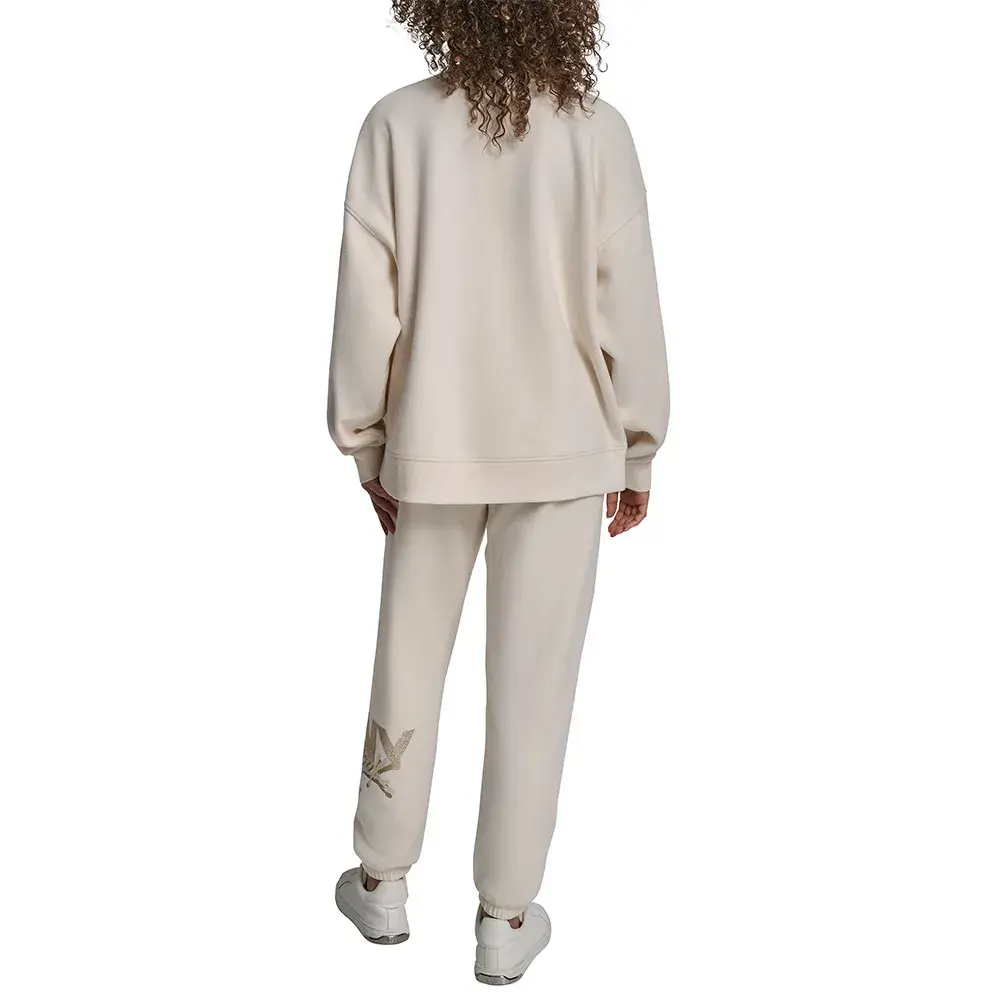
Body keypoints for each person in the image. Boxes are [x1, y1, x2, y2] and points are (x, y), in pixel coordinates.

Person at [327, 0, 669, 985]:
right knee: (534, 686)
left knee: (407, 659)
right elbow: (628, 302)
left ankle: (382, 880)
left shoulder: (397, 123)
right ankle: (505, 917)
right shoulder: (597, 132)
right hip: (565, 450)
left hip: (432, 447)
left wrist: (367, 446)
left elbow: (366, 305)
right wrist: (636, 450)